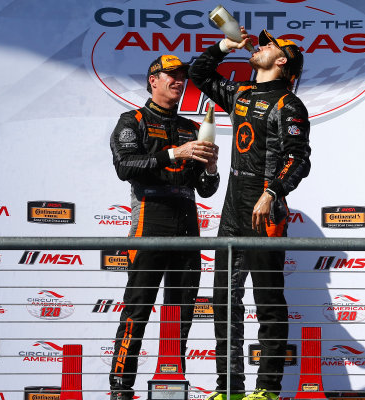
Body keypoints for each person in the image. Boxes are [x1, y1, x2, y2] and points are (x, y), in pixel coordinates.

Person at [188, 28, 311, 400]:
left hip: (265, 212)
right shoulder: (242, 92)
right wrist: (226, 46)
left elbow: (298, 159)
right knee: (224, 300)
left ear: (282, 60)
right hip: (232, 211)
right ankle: (229, 388)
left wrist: (272, 192)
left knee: (269, 301)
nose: (259, 47)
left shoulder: (289, 105)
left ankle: (268, 389)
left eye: (268, 45)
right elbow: (199, 75)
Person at [108, 54, 220, 400]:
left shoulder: (190, 126)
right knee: (137, 308)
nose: (178, 80)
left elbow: (205, 189)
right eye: (171, 75)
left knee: (181, 311)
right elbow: (125, 166)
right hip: (149, 222)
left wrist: (212, 167)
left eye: (182, 76)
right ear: (152, 80)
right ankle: (121, 389)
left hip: (187, 224)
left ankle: (171, 387)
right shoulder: (133, 120)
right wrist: (175, 154)